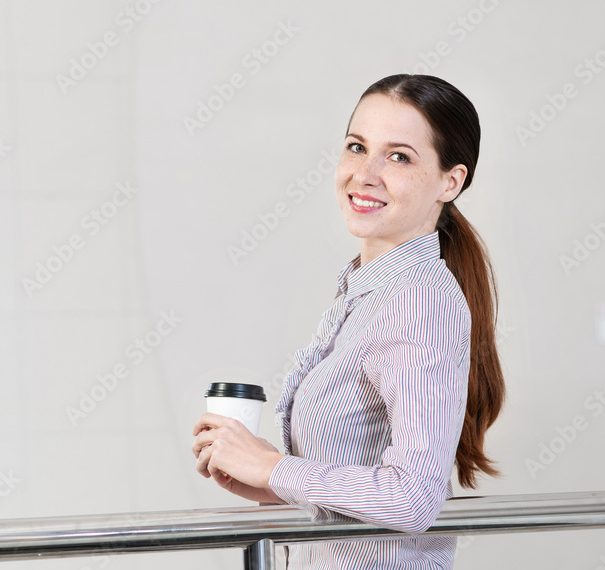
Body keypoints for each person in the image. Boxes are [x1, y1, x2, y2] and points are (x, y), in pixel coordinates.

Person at [191, 74, 505, 568]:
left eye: (399, 156)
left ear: (451, 181)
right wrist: (269, 479)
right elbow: (364, 483)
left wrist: (274, 467)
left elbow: (411, 498)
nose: (365, 173)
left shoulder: (418, 300)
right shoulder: (365, 291)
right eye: (357, 147)